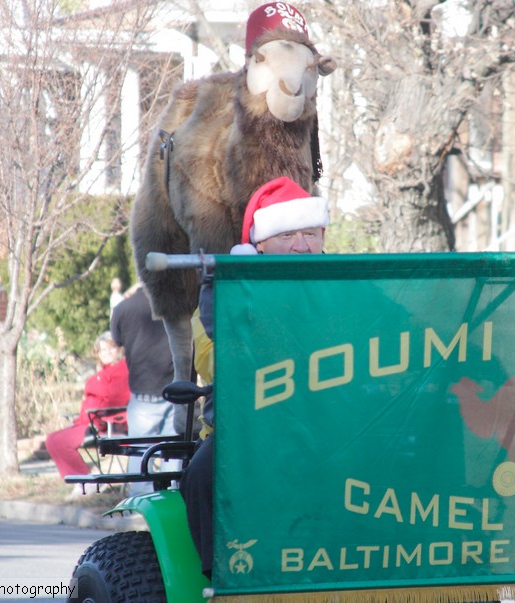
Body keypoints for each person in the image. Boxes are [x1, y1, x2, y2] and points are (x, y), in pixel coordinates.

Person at [182, 175, 330, 578]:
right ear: (260, 243)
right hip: (247, 427)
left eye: (310, 233)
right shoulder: (223, 288)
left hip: (328, 422)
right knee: (203, 474)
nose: (301, 245)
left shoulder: (342, 285)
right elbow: (218, 358)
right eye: (287, 234)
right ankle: (223, 578)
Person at [110, 281, 178, 495]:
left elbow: (117, 341)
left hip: (142, 391)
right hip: (176, 390)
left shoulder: (123, 308)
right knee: (173, 455)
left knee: (139, 453)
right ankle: (171, 500)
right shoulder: (176, 304)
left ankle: (139, 504)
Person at [44, 331, 129, 483]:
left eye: (111, 348)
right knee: (51, 439)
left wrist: (99, 419)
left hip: (103, 424)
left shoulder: (121, 369)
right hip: (87, 421)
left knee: (61, 443)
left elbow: (118, 400)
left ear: (119, 349)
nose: (107, 352)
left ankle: (85, 482)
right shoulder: (104, 371)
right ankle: (80, 481)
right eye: (102, 349)